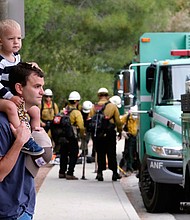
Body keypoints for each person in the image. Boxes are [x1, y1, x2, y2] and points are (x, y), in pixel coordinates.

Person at [0, 62, 48, 219]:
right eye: (36, 87)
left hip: (24, 207)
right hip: (7, 212)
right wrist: (19, 141)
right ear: (19, 88)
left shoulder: (24, 118)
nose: (42, 92)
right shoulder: (2, 124)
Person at [0, 19, 44, 156]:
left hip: (14, 96)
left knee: (35, 111)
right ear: (0, 41)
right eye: (11, 38)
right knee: (11, 108)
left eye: (19, 38)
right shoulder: (0, 60)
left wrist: (31, 66)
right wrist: (10, 96)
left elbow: (20, 71)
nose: (16, 42)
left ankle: (36, 129)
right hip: (3, 97)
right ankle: (23, 139)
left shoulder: (16, 56)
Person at [88, 88, 122, 181]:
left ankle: (100, 173)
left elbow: (90, 120)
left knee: (100, 153)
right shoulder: (112, 106)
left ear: (99, 96)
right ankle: (114, 173)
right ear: (108, 96)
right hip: (110, 133)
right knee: (111, 153)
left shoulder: (94, 107)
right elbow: (118, 121)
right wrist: (120, 131)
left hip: (98, 134)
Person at [59, 91, 85, 180]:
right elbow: (81, 126)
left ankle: (62, 172)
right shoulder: (76, 112)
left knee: (63, 153)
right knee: (74, 153)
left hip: (62, 136)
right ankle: (70, 173)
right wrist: (82, 134)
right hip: (71, 136)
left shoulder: (63, 111)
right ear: (77, 102)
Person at [120, 108, 139, 173]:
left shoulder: (140, 117)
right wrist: (122, 131)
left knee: (137, 153)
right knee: (129, 153)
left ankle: (136, 167)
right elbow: (119, 123)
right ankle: (129, 167)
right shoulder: (127, 117)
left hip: (138, 137)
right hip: (130, 137)